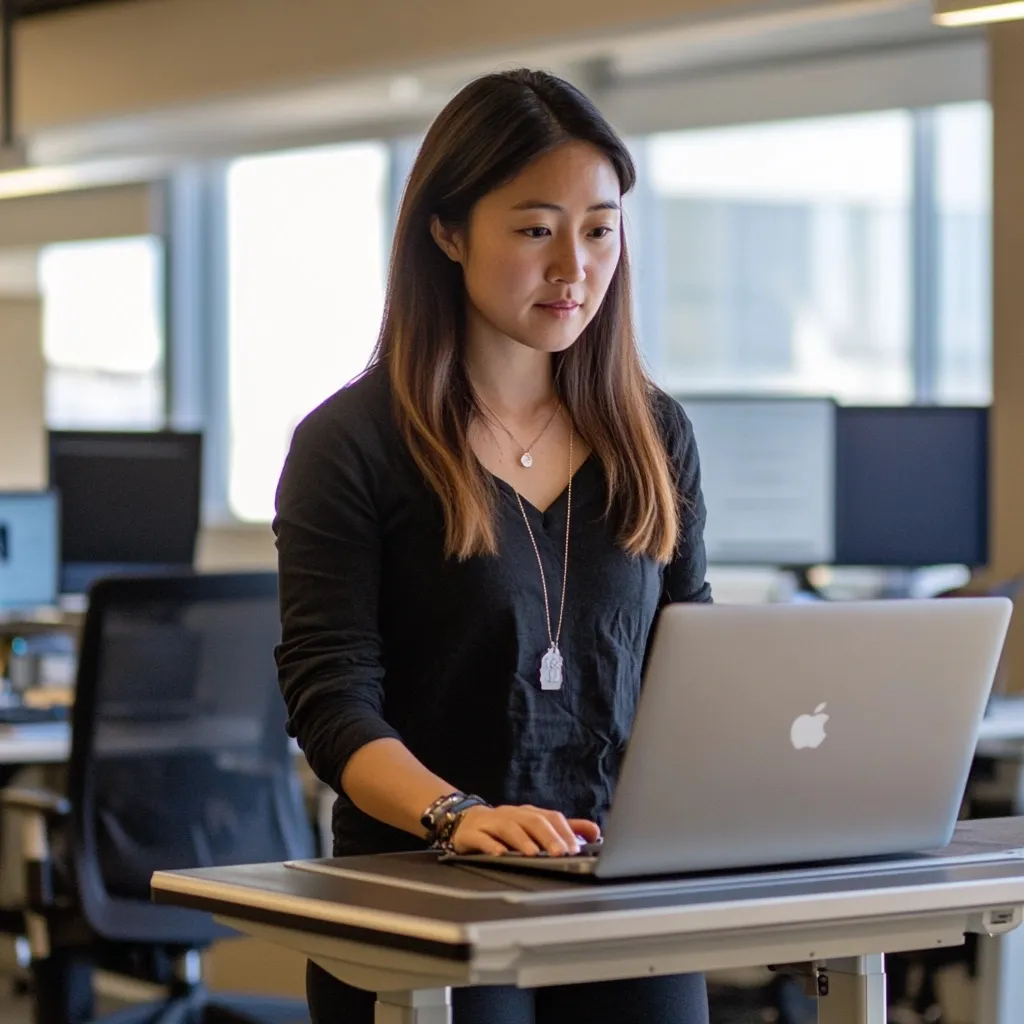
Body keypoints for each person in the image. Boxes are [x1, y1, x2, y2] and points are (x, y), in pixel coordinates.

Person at [274, 67, 713, 1024]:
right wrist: (458, 815)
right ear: (447, 231)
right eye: (534, 229)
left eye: (599, 230)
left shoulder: (653, 432)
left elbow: (690, 656)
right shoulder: (351, 444)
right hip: (419, 890)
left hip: (622, 886)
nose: (574, 268)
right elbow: (331, 701)